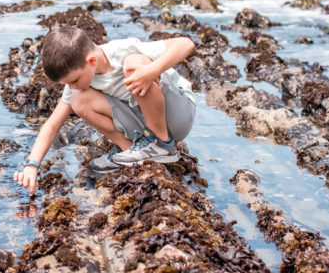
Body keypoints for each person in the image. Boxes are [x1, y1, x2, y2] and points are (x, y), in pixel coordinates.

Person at [13, 25, 196, 196]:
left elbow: (185, 44)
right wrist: (32, 165)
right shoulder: (78, 81)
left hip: (178, 114)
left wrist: (151, 71)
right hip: (144, 123)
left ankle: (160, 145)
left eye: (74, 80)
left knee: (134, 63)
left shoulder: (122, 50)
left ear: (91, 61)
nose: (71, 86)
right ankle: (131, 152)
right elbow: (52, 125)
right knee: (79, 99)